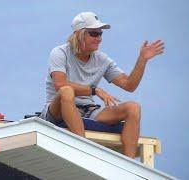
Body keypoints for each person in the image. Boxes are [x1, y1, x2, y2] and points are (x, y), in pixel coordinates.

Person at [40, 12, 164, 158]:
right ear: (78, 34)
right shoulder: (60, 52)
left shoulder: (102, 59)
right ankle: (84, 150)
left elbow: (129, 85)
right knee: (67, 91)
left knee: (133, 108)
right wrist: (94, 91)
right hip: (58, 109)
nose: (99, 39)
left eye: (100, 34)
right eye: (94, 34)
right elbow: (60, 84)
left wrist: (142, 60)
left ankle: (128, 166)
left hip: (88, 111)